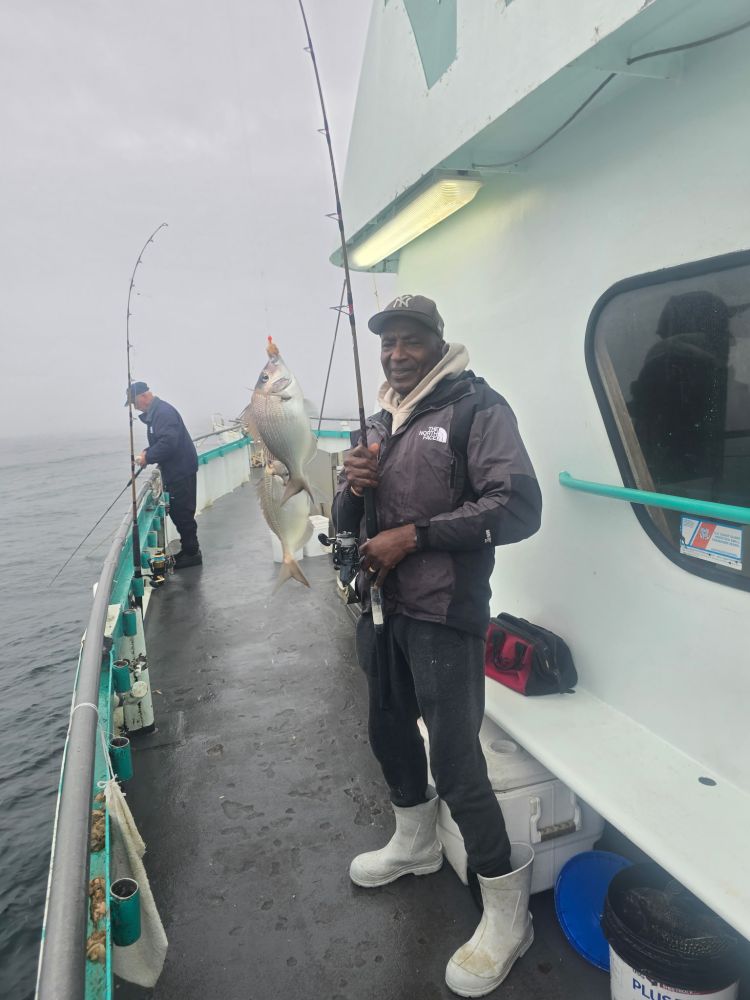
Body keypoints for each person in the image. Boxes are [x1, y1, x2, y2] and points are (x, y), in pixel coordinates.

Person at [332, 294, 542, 997]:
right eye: (387, 342)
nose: (395, 353)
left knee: (456, 763)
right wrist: (350, 488)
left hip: (444, 614)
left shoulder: (477, 409)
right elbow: (348, 521)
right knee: (388, 732)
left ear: (436, 341)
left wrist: (413, 536)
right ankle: (416, 845)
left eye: (410, 339)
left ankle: (508, 915)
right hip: (381, 609)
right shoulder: (377, 417)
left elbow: (515, 507)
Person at [125, 381, 202, 569]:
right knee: (179, 511)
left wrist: (147, 457)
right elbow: (162, 441)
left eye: (135, 403)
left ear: (144, 396)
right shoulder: (157, 413)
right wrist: (147, 452)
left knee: (182, 512)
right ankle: (189, 550)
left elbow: (168, 443)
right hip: (178, 469)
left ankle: (192, 554)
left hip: (180, 471)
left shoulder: (163, 413)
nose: (135, 408)